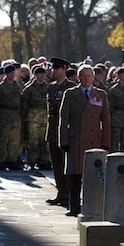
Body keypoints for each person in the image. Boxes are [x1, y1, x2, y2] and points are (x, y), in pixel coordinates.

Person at [59, 64, 110, 216]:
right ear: (78, 77)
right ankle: (74, 206)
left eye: (89, 76)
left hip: (94, 140)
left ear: (93, 77)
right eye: (83, 76)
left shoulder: (101, 94)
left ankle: (92, 206)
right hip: (76, 140)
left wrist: (106, 142)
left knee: (93, 176)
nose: (86, 79)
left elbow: (106, 120)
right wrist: (64, 140)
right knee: (75, 175)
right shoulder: (70, 94)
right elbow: (64, 119)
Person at [45, 57, 76, 207]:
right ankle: (60, 192)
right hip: (52, 128)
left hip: (65, 129)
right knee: (56, 164)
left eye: (57, 68)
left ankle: (67, 193)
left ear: (64, 69)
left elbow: (72, 110)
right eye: (53, 68)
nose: (54, 71)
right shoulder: (51, 86)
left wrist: (58, 105)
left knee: (66, 163)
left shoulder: (71, 86)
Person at [0, 64, 23, 170]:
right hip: (4, 115)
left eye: (14, 72)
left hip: (15, 115)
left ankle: (12, 160)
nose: (13, 75)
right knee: (2, 139)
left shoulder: (17, 86)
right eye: (10, 73)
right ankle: (1, 160)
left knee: (14, 140)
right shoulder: (1, 87)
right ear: (7, 74)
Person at [21, 65, 51, 170]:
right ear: (35, 75)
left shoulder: (48, 87)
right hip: (32, 117)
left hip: (45, 117)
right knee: (32, 141)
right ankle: (32, 161)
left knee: (44, 140)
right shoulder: (29, 89)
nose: (41, 76)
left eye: (43, 74)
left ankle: (44, 160)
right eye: (39, 74)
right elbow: (24, 104)